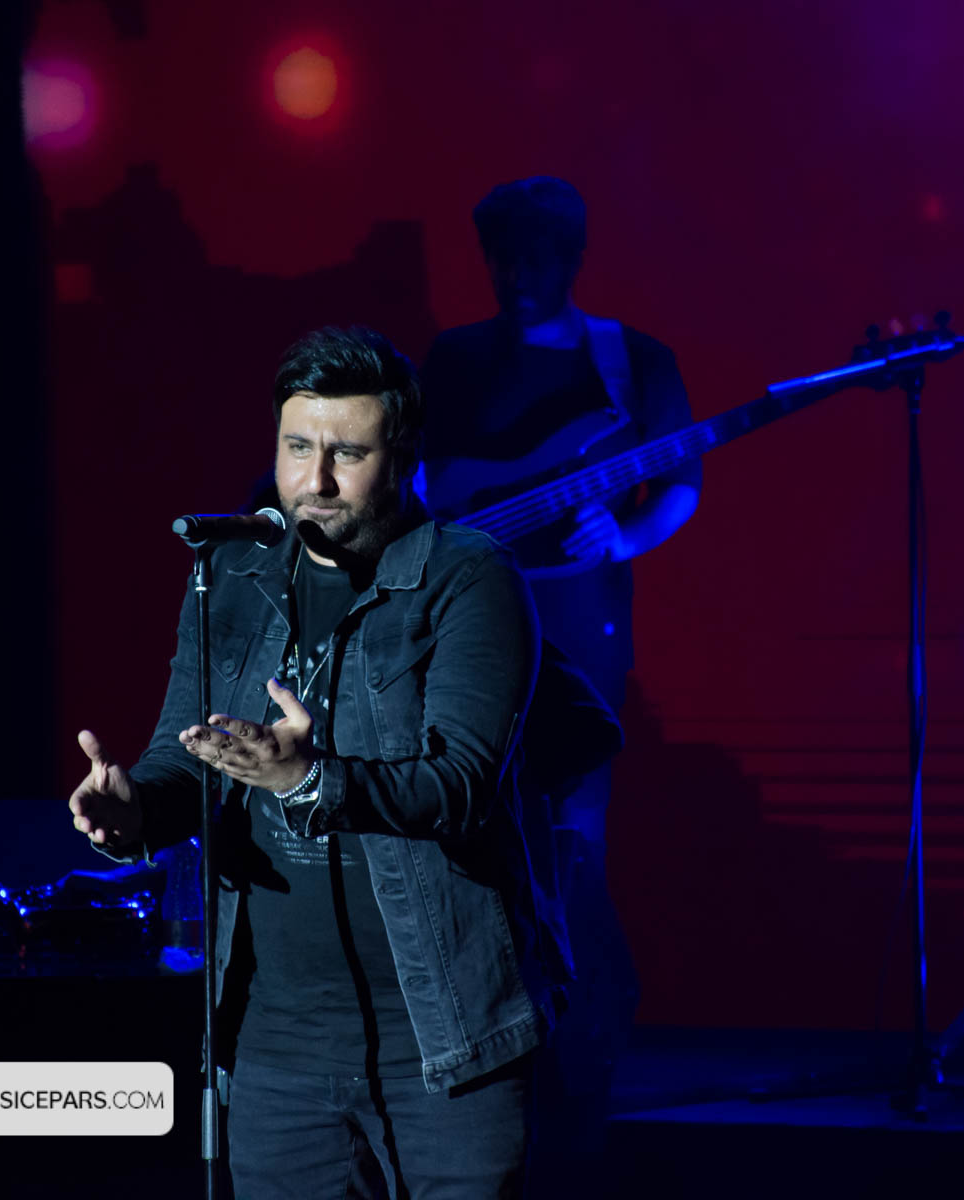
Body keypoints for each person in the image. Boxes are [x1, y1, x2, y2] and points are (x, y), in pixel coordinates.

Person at [68, 326, 559, 1198]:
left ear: (404, 458)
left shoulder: (468, 577)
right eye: (297, 447)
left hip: (442, 1040)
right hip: (275, 1048)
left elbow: (459, 786)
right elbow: (189, 759)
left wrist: (306, 778)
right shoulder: (232, 574)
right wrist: (134, 812)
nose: (315, 481)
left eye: (348, 454)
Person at [418, 176, 703, 1185]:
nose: (515, 277)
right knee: (465, 830)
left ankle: (576, 1058)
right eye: (501, 258)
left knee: (575, 832)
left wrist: (622, 534)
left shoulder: (632, 361)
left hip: (579, 627)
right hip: (467, 625)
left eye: (534, 258)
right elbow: (416, 478)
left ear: (571, 259)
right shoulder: (454, 358)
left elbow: (680, 485)